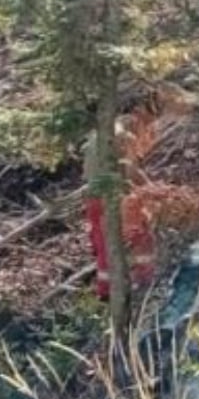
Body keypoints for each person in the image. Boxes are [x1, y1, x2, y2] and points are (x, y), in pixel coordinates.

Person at [82, 119, 156, 301]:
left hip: (94, 197)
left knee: (103, 244)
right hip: (117, 197)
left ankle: (106, 291)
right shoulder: (121, 138)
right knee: (140, 237)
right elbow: (131, 169)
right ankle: (145, 280)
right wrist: (150, 190)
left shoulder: (93, 139)